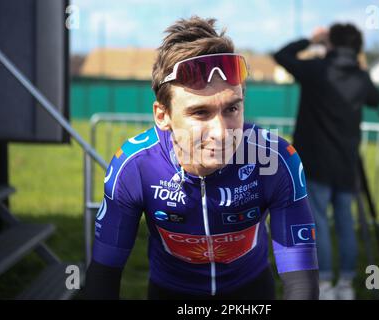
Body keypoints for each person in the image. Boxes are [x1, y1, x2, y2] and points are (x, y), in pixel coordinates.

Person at [84, 16, 319, 300]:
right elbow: (103, 275)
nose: (221, 133)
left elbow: (301, 282)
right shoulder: (135, 166)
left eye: (232, 109)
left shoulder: (276, 159)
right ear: (163, 115)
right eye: (200, 113)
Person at [273, 23, 379, 300]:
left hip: (315, 163)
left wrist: (311, 40)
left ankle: (323, 285)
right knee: (346, 223)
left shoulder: (316, 70)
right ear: (357, 47)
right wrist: (358, 60)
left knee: (318, 223)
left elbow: (282, 55)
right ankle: (345, 286)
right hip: (347, 165)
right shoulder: (359, 77)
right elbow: (376, 97)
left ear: (330, 43)